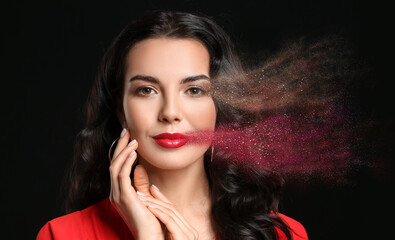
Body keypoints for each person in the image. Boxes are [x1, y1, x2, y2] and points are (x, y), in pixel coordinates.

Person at [37, 10, 307, 240]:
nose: (170, 113)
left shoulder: (284, 235)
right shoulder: (61, 235)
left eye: (193, 90)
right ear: (121, 110)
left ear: (220, 107)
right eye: (146, 90)